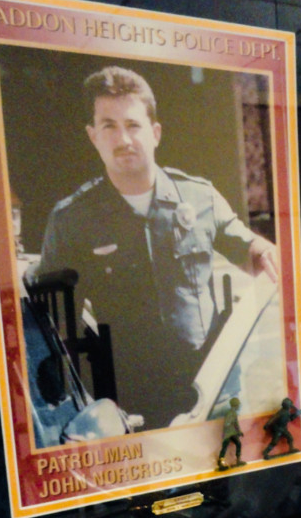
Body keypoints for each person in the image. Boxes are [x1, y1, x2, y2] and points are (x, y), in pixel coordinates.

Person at [34, 66, 278, 430]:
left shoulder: (201, 197)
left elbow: (245, 243)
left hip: (209, 395)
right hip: (129, 404)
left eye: (133, 125)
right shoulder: (71, 220)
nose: (123, 139)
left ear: (155, 133)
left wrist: (262, 251)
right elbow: (52, 320)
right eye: (109, 126)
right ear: (92, 136)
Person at [216, 397, 244, 470]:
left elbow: (236, 423)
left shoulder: (233, 413)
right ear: (235, 405)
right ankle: (220, 462)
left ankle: (238, 460)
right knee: (225, 447)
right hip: (228, 434)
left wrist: (239, 431)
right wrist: (231, 424)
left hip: (232, 433)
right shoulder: (230, 413)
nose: (239, 406)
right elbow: (226, 423)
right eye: (238, 405)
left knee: (238, 444)